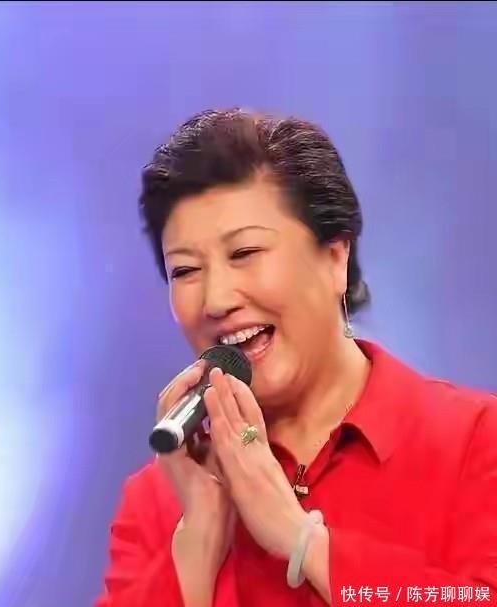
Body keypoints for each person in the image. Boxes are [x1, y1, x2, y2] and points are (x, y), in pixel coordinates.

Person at [95, 108, 497, 607]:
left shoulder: (475, 441)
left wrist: (304, 543)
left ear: (335, 258)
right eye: (186, 271)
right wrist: (196, 545)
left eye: (244, 253)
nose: (215, 300)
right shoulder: (159, 497)